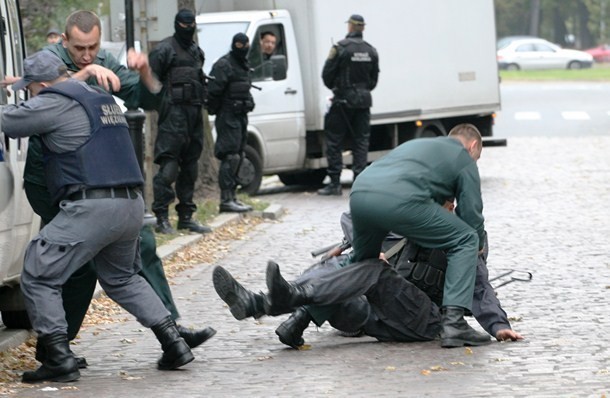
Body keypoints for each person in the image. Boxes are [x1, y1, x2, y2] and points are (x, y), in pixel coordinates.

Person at [2, 9, 215, 368]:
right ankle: (173, 342)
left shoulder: (53, 99)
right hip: (129, 204)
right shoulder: (98, 97)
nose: (31, 97)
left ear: (42, 85)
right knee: (120, 277)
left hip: (90, 203)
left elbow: (9, 120)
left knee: (38, 270)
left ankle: (57, 355)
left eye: (32, 90)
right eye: (80, 48)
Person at [148, 9, 211, 235]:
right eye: (184, 24)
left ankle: (186, 217)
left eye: (191, 24)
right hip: (172, 116)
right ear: (177, 25)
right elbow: (150, 84)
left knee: (190, 167)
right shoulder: (164, 50)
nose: (188, 28)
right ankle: (161, 217)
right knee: (169, 168)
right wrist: (163, 106)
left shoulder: (196, 52)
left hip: (193, 115)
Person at [317, 14, 379, 196]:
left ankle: (335, 183)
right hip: (363, 102)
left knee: (334, 141)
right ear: (363, 29)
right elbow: (373, 81)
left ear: (351, 27)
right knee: (361, 142)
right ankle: (358, 183)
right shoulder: (371, 50)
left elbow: (327, 75)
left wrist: (339, 89)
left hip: (343, 101)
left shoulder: (340, 48)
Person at [207, 33, 255, 213]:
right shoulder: (224, 65)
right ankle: (226, 198)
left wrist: (248, 102)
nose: (243, 48)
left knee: (239, 155)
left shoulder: (243, 66)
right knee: (230, 156)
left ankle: (232, 196)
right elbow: (212, 92)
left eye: (245, 44)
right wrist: (222, 108)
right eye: (240, 45)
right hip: (227, 117)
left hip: (240, 117)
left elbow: (245, 88)